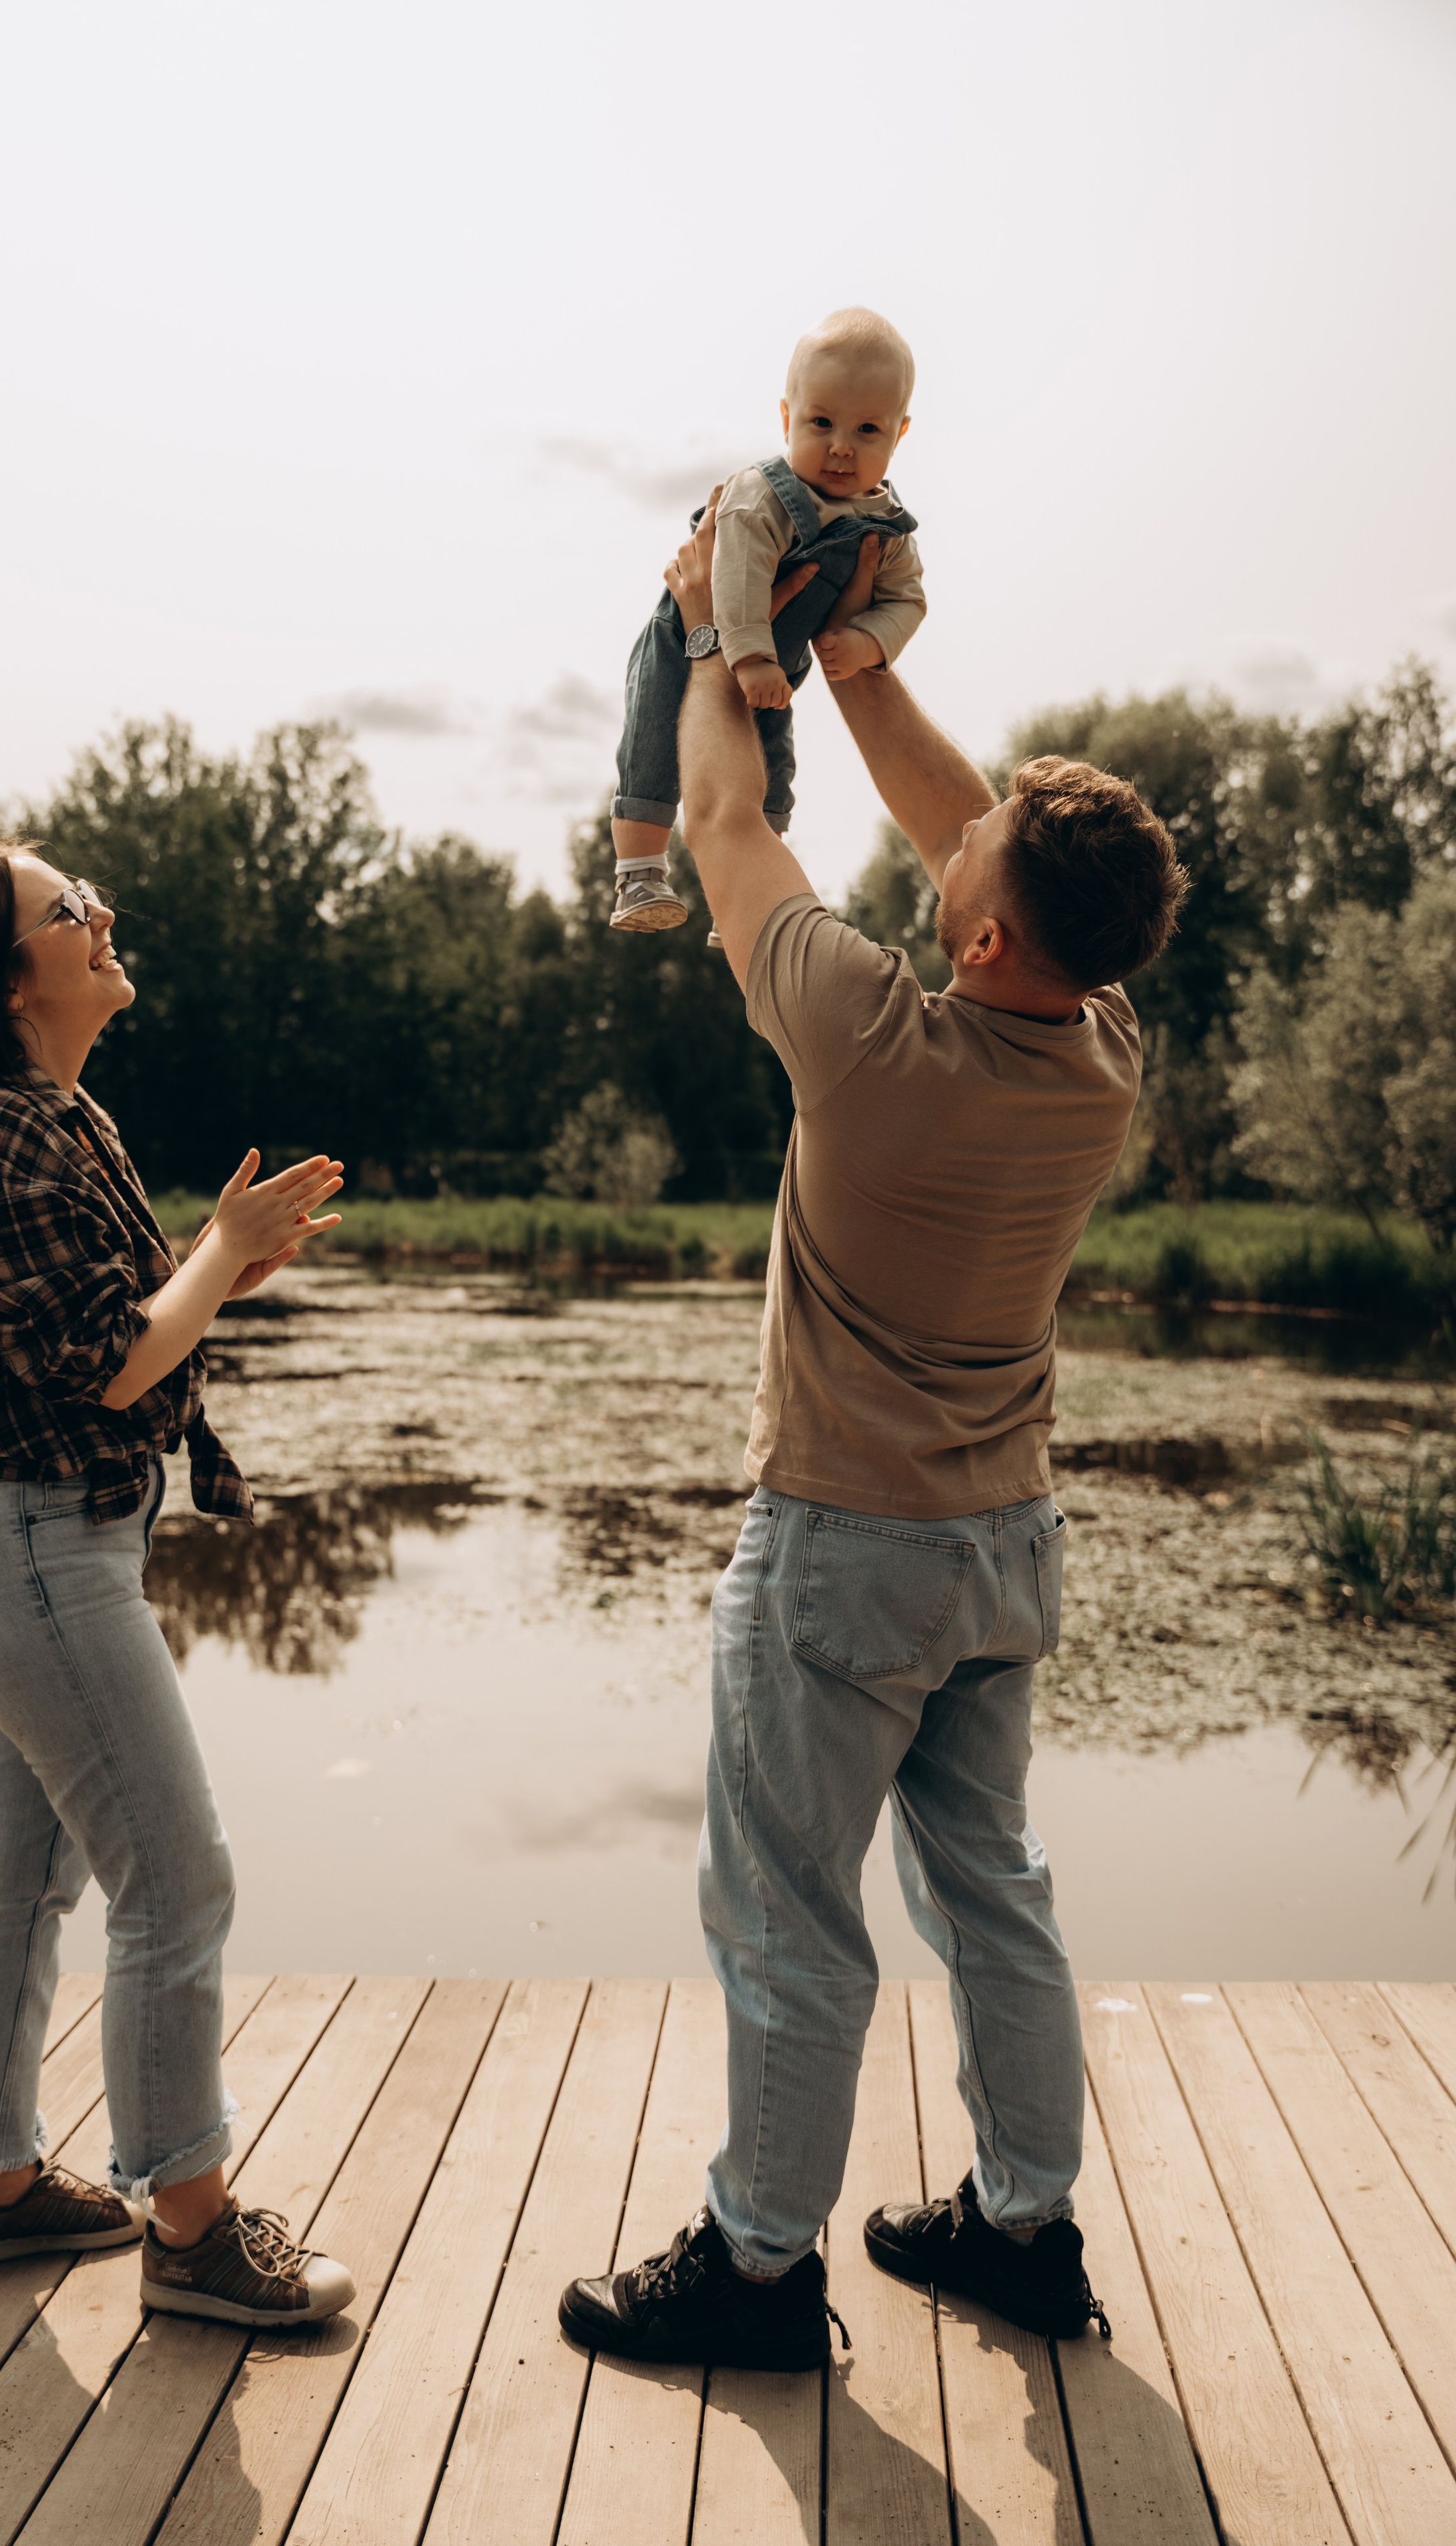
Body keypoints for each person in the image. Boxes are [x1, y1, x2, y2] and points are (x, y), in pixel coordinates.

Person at [560, 503, 1187, 2371]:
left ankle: (759, 2267)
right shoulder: (1098, 1056)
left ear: (986, 919)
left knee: (786, 1919)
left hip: (841, 1554)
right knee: (993, 1890)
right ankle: (1025, 2225)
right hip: (1003, 1547)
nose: (952, 815)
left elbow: (735, 829)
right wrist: (854, 659)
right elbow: (983, 849)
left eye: (976, 837)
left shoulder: (863, 1029)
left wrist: (703, 636)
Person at [0, 844, 356, 2329]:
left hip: (28, 1541)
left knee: (25, 1874)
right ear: (10, 979)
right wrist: (215, 1251)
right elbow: (115, 1356)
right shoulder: (0, 1140)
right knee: (174, 1873)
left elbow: (122, 1321)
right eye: (72, 909)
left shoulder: (52, 1117)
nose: (104, 916)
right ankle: (191, 2226)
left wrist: (224, 1260)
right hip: (29, 1550)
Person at [608, 306, 925, 933]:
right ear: (787, 418)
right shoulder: (765, 495)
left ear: (899, 435)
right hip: (692, 641)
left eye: (867, 430)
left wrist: (866, 641)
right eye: (821, 422)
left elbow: (907, 602)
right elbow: (736, 576)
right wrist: (748, 655)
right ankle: (639, 871)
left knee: (773, 771)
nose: (840, 446)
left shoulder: (888, 529)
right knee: (652, 745)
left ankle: (749, 892)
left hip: (774, 670)